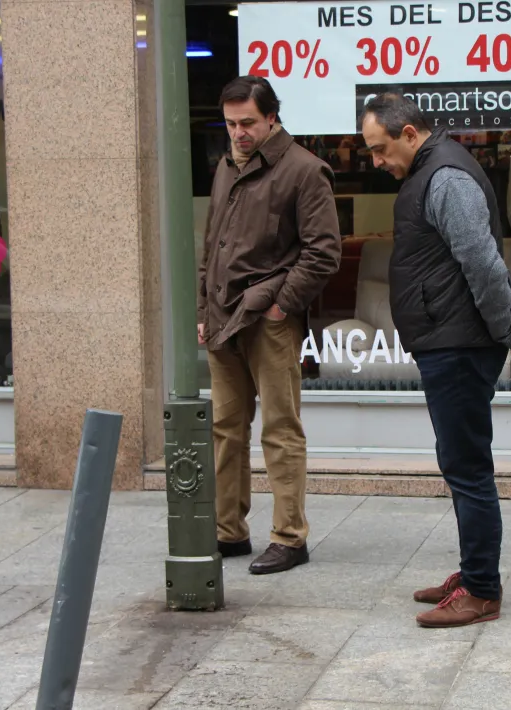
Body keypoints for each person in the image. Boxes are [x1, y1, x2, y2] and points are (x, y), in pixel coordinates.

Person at [359, 94, 511, 628]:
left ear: (410, 133)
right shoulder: (431, 171)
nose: (375, 161)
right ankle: (472, 570)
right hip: (448, 341)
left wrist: (506, 328)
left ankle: (481, 590)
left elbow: (482, 262)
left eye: (379, 149)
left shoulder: (446, 179)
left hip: (459, 347)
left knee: (467, 468)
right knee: (459, 465)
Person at [198, 76, 342, 575]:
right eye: (231, 123)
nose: (238, 133)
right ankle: (228, 531)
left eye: (247, 124)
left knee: (280, 429)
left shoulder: (303, 170)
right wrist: (203, 311)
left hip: (269, 319)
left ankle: (289, 537)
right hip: (223, 317)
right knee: (224, 429)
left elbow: (324, 253)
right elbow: (212, 243)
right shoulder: (226, 166)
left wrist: (282, 307)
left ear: (272, 117)